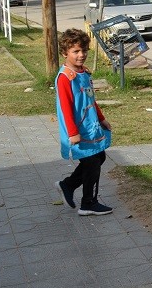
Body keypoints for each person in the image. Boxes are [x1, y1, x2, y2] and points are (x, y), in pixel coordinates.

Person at [54, 28, 113, 216]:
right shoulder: (65, 78)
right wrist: (72, 133)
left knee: (99, 158)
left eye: (84, 50)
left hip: (90, 127)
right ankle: (88, 202)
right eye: (76, 51)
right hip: (78, 130)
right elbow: (65, 108)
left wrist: (102, 119)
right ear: (65, 53)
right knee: (92, 162)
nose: (81, 55)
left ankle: (68, 185)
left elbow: (90, 99)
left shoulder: (84, 73)